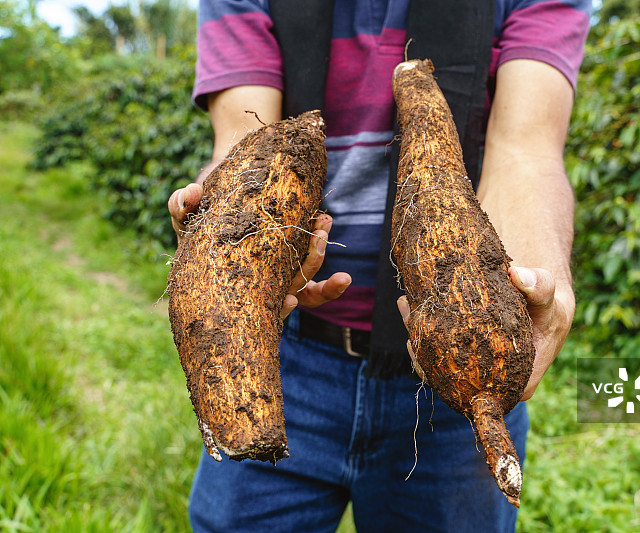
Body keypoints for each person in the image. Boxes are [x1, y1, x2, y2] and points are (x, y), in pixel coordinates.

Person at [168, 1, 590, 531]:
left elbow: (525, 148)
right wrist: (223, 225)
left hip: (452, 377)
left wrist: (534, 279)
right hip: (286, 353)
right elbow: (244, 141)